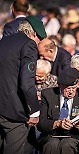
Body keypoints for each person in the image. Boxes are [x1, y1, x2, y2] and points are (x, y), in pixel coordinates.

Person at [0, 15, 47, 154]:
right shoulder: (29, 44)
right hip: (14, 111)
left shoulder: (4, 41)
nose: (39, 43)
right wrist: (34, 111)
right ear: (33, 33)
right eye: (39, 39)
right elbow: (26, 83)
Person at [37, 68, 79, 154]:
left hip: (73, 135)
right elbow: (41, 123)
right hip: (51, 134)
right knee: (52, 144)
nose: (71, 92)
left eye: (74, 88)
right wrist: (57, 123)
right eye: (68, 89)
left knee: (67, 145)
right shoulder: (48, 94)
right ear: (60, 85)